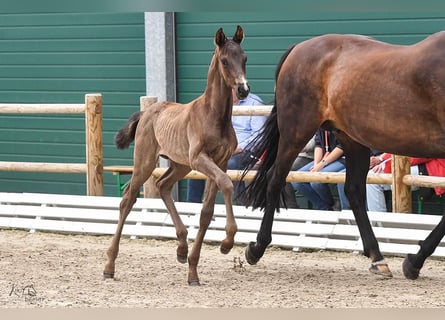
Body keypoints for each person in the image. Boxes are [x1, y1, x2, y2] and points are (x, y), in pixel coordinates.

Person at [186, 89, 267, 204]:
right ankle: (192, 205)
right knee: (197, 163)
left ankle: (243, 206)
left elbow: (259, 136)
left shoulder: (255, 104)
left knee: (231, 164)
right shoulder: (221, 103)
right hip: (223, 149)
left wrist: (239, 147)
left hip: (247, 151)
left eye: (229, 90)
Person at [366, 153, 445, 212]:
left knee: (373, 179)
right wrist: (383, 159)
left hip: (434, 169)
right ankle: (379, 225)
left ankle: (380, 225)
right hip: (425, 165)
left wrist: (384, 161)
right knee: (372, 176)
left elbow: (421, 153)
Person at [292, 129, 346, 211]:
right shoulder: (321, 124)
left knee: (316, 181)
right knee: (296, 180)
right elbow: (318, 144)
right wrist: (316, 164)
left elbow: (342, 147)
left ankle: (332, 205)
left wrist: (322, 163)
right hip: (324, 159)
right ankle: (325, 207)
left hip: (342, 159)